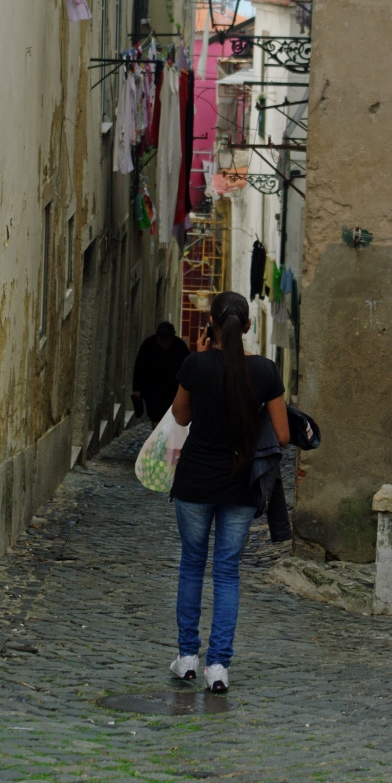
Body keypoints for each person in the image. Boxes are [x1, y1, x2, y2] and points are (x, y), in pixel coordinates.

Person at [169, 291, 289, 693]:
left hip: (195, 481)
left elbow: (180, 416)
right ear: (248, 326)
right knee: (226, 572)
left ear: (212, 326)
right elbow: (283, 436)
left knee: (191, 565)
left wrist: (202, 357)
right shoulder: (265, 372)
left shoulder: (195, 365)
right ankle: (218, 666)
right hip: (240, 484)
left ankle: (187, 657)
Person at [132, 322, 190, 427]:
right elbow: (139, 366)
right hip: (153, 389)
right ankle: (157, 433)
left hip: (172, 389)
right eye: (162, 340)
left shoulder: (179, 346)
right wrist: (136, 388)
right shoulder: (148, 344)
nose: (164, 343)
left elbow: (187, 368)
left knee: (171, 415)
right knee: (155, 416)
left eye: (167, 340)